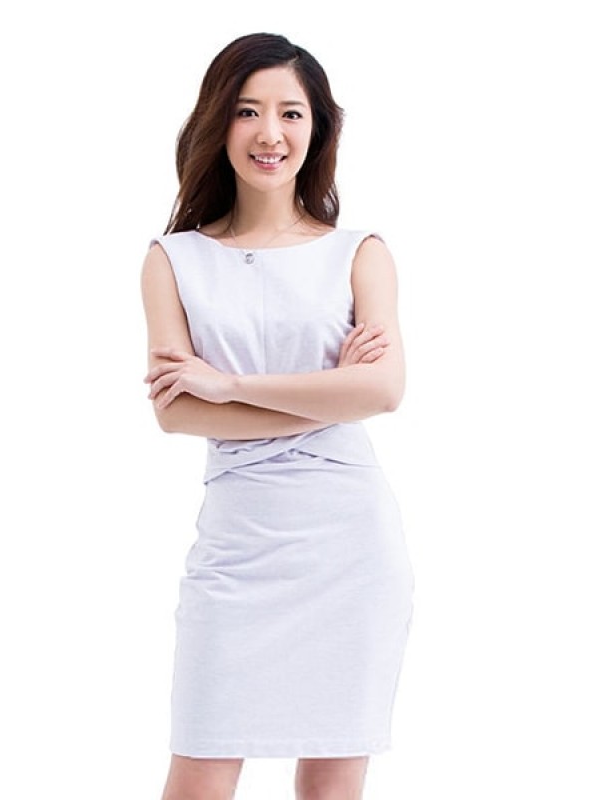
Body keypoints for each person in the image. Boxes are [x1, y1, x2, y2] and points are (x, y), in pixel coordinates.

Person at [141, 32, 414, 800]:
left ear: (318, 128)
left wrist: (229, 386)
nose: (270, 133)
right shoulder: (173, 259)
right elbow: (176, 414)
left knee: (331, 786)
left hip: (348, 547)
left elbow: (384, 391)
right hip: (236, 551)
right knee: (199, 775)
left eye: (291, 113)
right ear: (218, 123)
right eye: (247, 111)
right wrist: (328, 393)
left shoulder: (359, 252)